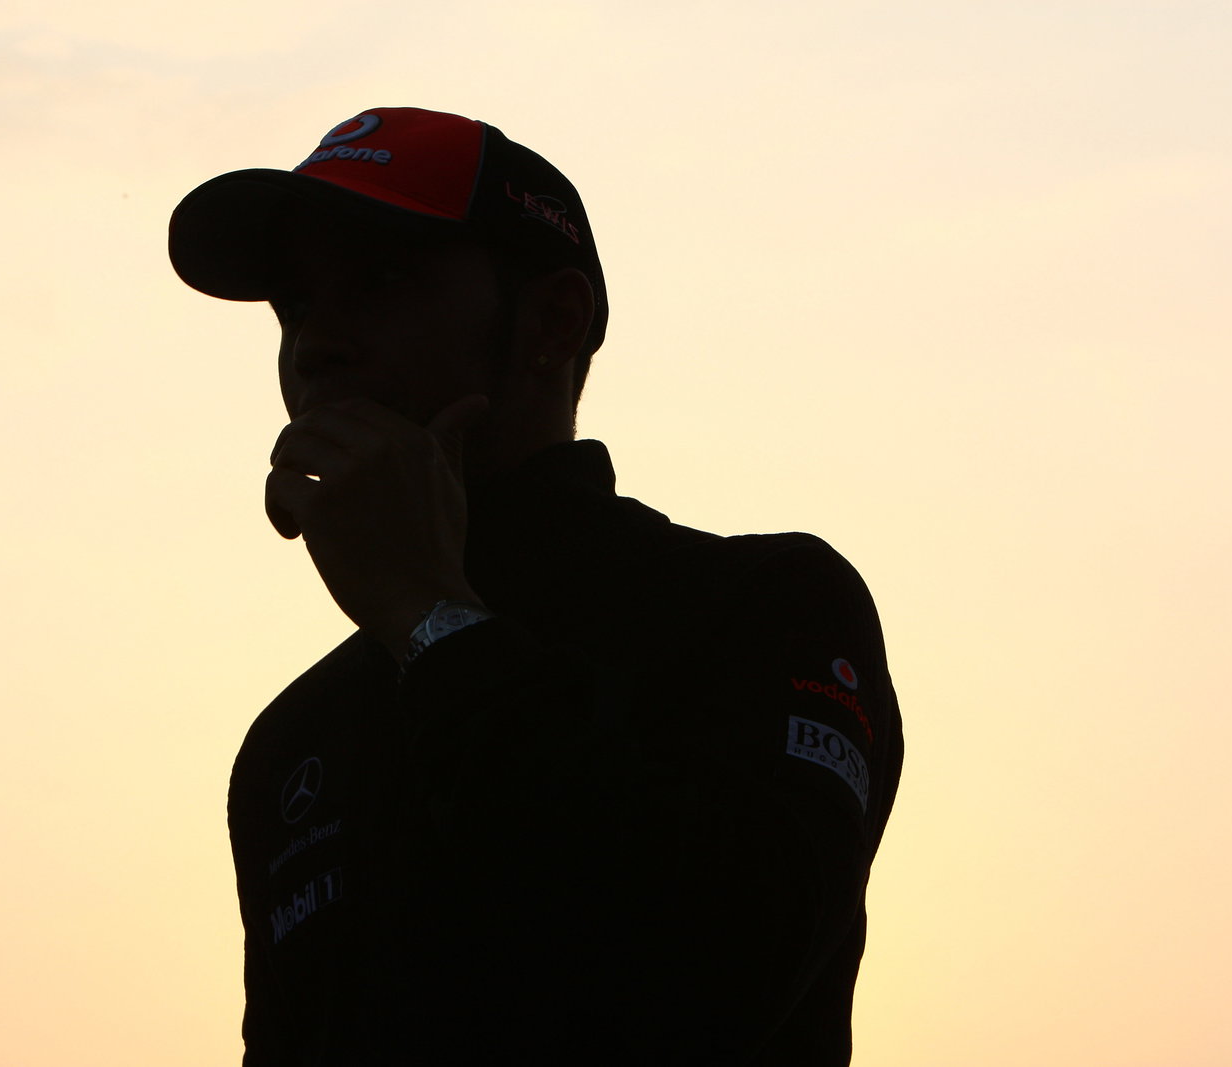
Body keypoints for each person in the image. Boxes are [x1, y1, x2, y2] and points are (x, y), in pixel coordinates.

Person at [169, 106, 904, 1066]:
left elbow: (720, 975)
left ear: (553, 322)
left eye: (382, 279)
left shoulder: (771, 605)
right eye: (297, 305)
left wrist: (430, 616)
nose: (317, 346)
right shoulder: (297, 741)